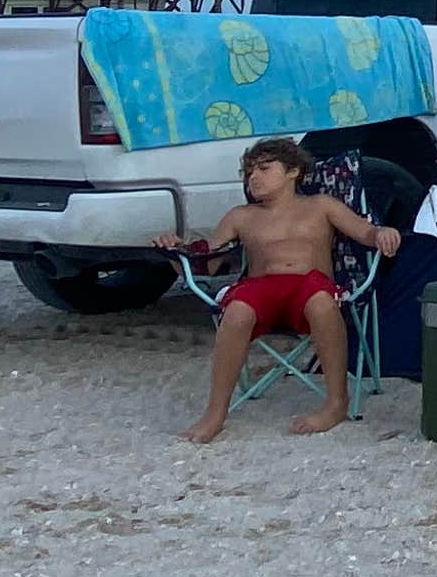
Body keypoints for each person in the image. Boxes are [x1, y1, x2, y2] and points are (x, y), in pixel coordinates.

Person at [160, 139, 400, 442]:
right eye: (249, 173)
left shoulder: (321, 205)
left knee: (322, 304)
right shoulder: (241, 215)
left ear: (293, 171)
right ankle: (215, 413)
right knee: (236, 312)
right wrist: (177, 251)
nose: (254, 178)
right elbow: (204, 263)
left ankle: (335, 403)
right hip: (261, 288)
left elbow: (365, 231)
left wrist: (383, 233)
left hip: (310, 285)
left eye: (264, 168)